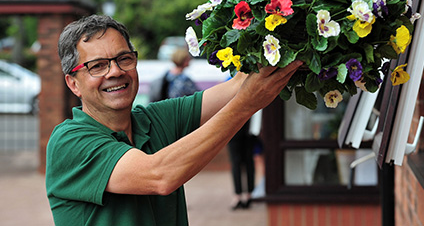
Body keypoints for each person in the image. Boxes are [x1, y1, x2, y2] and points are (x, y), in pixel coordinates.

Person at [45, 14, 302, 226]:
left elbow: (240, 83)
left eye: (124, 59)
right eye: (97, 66)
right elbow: (159, 176)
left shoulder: (153, 119)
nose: (115, 72)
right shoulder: (69, 141)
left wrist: (288, 25)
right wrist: (246, 106)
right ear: (73, 83)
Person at [227, 119, 255, 210]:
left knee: (240, 162)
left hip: (238, 125)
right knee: (244, 162)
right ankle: (244, 195)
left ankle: (242, 195)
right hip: (244, 126)